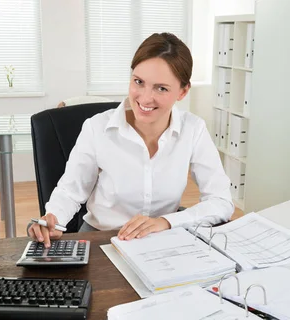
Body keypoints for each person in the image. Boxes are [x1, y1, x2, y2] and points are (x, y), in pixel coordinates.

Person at [28, 32, 234, 246]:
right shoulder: (97, 128)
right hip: (102, 239)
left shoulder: (194, 129)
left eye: (161, 88)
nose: (145, 98)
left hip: (161, 240)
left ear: (182, 92)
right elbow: (71, 191)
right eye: (139, 82)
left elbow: (220, 200)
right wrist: (53, 219)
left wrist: (166, 222)